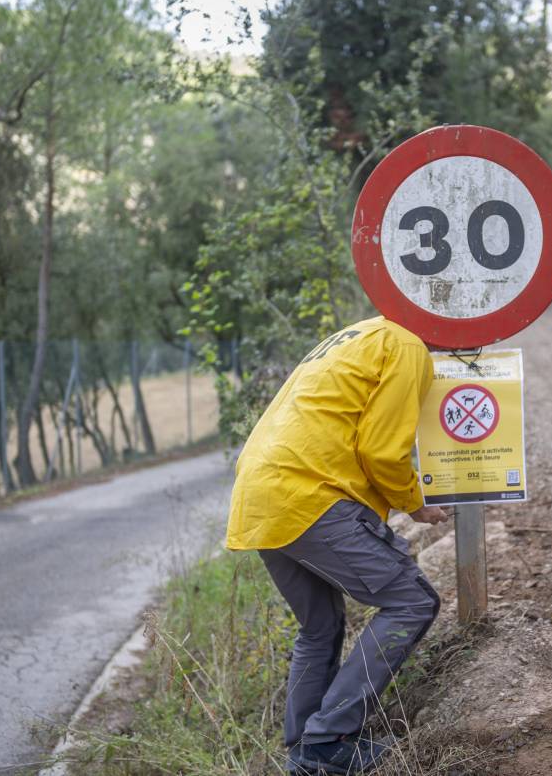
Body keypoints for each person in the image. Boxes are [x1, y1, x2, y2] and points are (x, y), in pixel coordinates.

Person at [226, 315, 450, 774]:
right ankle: (328, 739)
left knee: (320, 624)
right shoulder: (407, 347)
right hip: (309, 492)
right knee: (411, 601)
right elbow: (381, 450)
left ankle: (305, 749)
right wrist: (414, 503)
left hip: (261, 494)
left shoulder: (365, 333)